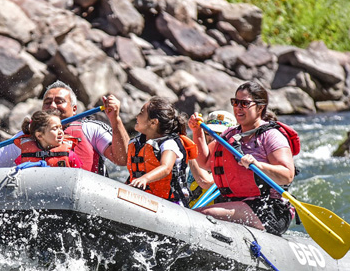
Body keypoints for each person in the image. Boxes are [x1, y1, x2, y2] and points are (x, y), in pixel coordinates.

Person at [189, 81, 297, 235]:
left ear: (260, 107)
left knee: (202, 215)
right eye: (235, 102)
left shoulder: (271, 136)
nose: (238, 107)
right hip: (233, 203)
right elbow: (205, 162)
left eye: (245, 103)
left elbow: (287, 175)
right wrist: (197, 131)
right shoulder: (229, 134)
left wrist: (258, 165)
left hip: (268, 209)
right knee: (199, 214)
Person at [0, 81, 129, 174]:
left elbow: (122, 160)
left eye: (60, 101)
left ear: (74, 109)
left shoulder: (91, 129)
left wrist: (116, 121)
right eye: (47, 102)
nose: (52, 105)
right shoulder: (26, 137)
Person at [126, 96, 197, 206]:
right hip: (145, 199)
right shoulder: (137, 143)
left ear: (153, 122)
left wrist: (145, 178)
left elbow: (166, 167)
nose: (137, 116)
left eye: (141, 113)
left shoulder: (169, 143)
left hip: (171, 204)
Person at [186, 110, 236, 208]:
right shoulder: (198, 153)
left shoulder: (234, 156)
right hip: (195, 209)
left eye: (220, 133)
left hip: (216, 211)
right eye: (210, 133)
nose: (214, 138)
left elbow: (207, 182)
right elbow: (204, 181)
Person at [14, 109, 82, 168]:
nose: (60, 132)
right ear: (39, 136)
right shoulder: (24, 157)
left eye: (60, 128)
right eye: (55, 128)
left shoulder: (70, 156)